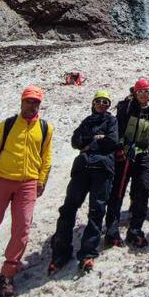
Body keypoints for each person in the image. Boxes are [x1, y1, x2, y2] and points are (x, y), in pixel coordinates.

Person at [49, 90, 118, 274]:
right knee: (68, 208)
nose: (102, 104)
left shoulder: (111, 121)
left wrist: (88, 144)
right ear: (93, 103)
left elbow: (112, 141)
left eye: (105, 102)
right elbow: (75, 140)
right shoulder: (87, 121)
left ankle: (88, 252)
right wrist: (96, 139)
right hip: (82, 168)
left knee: (97, 210)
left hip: (102, 169)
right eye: (99, 101)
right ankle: (61, 251)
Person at [0, 86, 53, 297]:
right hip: (2, 179)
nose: (32, 105)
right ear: (22, 102)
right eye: (29, 101)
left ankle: (7, 274)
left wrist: (41, 180)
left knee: (22, 228)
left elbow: (46, 158)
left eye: (36, 102)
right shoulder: (7, 125)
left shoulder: (45, 128)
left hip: (28, 183)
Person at [105, 79, 149, 249]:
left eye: (147, 91)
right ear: (135, 93)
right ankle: (112, 231)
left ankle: (135, 229)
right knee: (118, 192)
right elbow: (118, 130)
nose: (144, 95)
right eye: (141, 92)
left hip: (143, 156)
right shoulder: (126, 108)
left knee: (143, 191)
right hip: (125, 156)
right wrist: (121, 147)